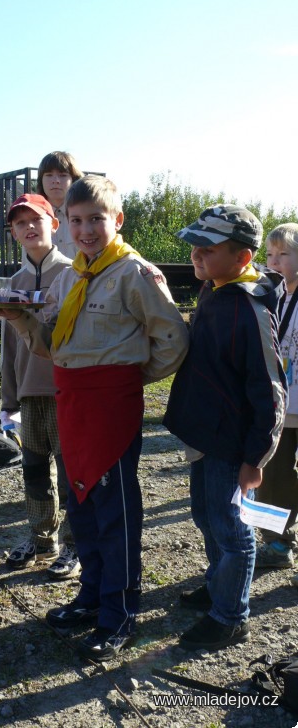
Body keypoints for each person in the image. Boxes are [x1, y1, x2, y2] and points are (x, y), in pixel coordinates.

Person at [0, 175, 189, 661]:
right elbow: (51, 345)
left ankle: (119, 612)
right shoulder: (69, 277)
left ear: (117, 220)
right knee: (79, 502)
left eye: (96, 220)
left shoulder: (135, 274)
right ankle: (90, 596)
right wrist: (17, 317)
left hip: (110, 406)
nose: (85, 230)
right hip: (72, 402)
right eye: (77, 221)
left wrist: (126, 378)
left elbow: (173, 340)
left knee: (115, 514)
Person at [163, 204, 286, 652]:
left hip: (233, 444)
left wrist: (256, 458)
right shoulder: (215, 289)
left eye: (207, 248)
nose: (196, 255)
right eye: (194, 246)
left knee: (232, 529)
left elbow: (271, 390)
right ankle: (220, 587)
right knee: (205, 516)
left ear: (242, 257)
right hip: (206, 434)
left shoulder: (251, 309)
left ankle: (231, 617)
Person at [0, 193, 79, 580]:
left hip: (66, 391)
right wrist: (8, 399)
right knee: (34, 471)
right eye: (20, 223)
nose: (29, 227)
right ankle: (41, 536)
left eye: (37, 220)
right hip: (30, 393)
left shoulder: (73, 273)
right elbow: (9, 345)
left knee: (69, 473)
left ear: (55, 224)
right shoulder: (12, 283)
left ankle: (75, 542)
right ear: (13, 232)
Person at [254, 223, 298, 578]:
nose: (274, 261)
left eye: (284, 254)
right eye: (270, 254)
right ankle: (276, 542)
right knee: (271, 473)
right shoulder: (274, 294)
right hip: (282, 403)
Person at [36, 151, 83, 259]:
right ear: (41, 180)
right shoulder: (32, 219)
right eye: (49, 175)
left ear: (74, 180)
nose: (56, 181)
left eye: (62, 175)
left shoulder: (85, 216)